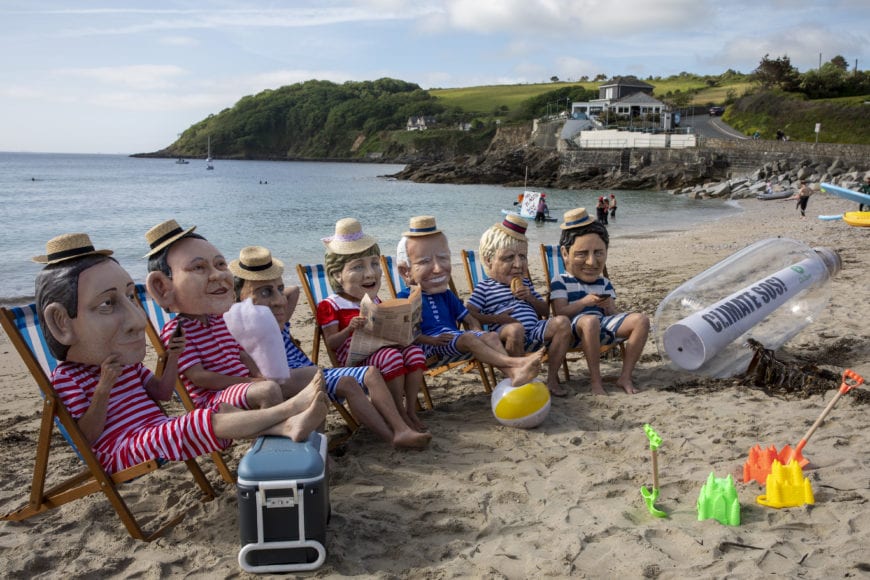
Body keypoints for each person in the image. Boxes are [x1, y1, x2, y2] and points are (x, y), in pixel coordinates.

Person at [35, 233, 326, 475]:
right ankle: (288, 416)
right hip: (121, 449)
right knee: (195, 420)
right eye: (107, 303)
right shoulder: (66, 378)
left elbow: (162, 393)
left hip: (156, 430)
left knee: (206, 417)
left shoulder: (127, 366)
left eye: (131, 298)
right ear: (61, 323)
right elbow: (85, 438)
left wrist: (172, 357)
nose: (138, 320)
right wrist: (103, 388)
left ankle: (293, 430)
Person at [232, 245, 430, 447]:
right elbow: (250, 366)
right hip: (296, 378)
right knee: (367, 374)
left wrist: (265, 290)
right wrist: (240, 306)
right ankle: (397, 433)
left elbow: (293, 291)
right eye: (266, 292)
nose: (278, 301)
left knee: (352, 381)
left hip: (314, 373)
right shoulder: (242, 330)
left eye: (279, 289)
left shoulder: (277, 320)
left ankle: (397, 431)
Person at [144, 219, 311, 411]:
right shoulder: (177, 331)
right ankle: (284, 431)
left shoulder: (220, 320)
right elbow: (199, 377)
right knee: (268, 391)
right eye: (198, 267)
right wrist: (251, 380)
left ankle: (310, 437)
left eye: (220, 264)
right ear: (162, 287)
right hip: (215, 398)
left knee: (312, 376)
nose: (218, 275)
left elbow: (241, 354)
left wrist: (261, 374)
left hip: (246, 385)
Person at [395, 215, 543, 387]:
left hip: (453, 338)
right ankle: (516, 364)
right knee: (468, 339)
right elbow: (405, 334)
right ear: (405, 271)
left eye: (443, 258)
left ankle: (514, 374)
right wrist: (431, 340)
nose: (437, 269)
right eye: (425, 261)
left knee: (492, 336)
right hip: (430, 345)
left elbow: (469, 318)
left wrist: (480, 334)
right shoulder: (405, 299)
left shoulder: (446, 295)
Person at [316, 218, 429, 433]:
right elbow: (331, 344)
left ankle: (410, 409)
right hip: (354, 359)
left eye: (374, 264)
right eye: (358, 267)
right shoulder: (330, 305)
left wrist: (408, 322)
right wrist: (350, 329)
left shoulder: (375, 301)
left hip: (381, 350)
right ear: (337, 275)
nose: (370, 273)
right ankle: (398, 412)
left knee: (414, 353)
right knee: (391, 357)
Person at [465, 215, 572, 396]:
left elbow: (545, 311)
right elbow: (469, 313)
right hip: (504, 333)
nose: (518, 264)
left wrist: (530, 298)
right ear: (489, 260)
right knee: (515, 329)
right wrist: (498, 319)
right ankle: (520, 378)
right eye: (508, 258)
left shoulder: (526, 283)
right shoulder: (485, 287)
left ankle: (552, 379)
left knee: (562, 322)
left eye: (522, 257)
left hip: (534, 329)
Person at [550, 208, 650, 395]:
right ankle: (596, 382)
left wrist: (609, 307)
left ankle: (625, 377)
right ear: (565, 253)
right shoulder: (560, 281)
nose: (591, 262)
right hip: (573, 329)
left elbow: (613, 315)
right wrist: (584, 302)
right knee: (589, 321)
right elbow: (560, 313)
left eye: (598, 253)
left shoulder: (603, 282)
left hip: (601, 325)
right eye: (582, 254)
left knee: (641, 320)